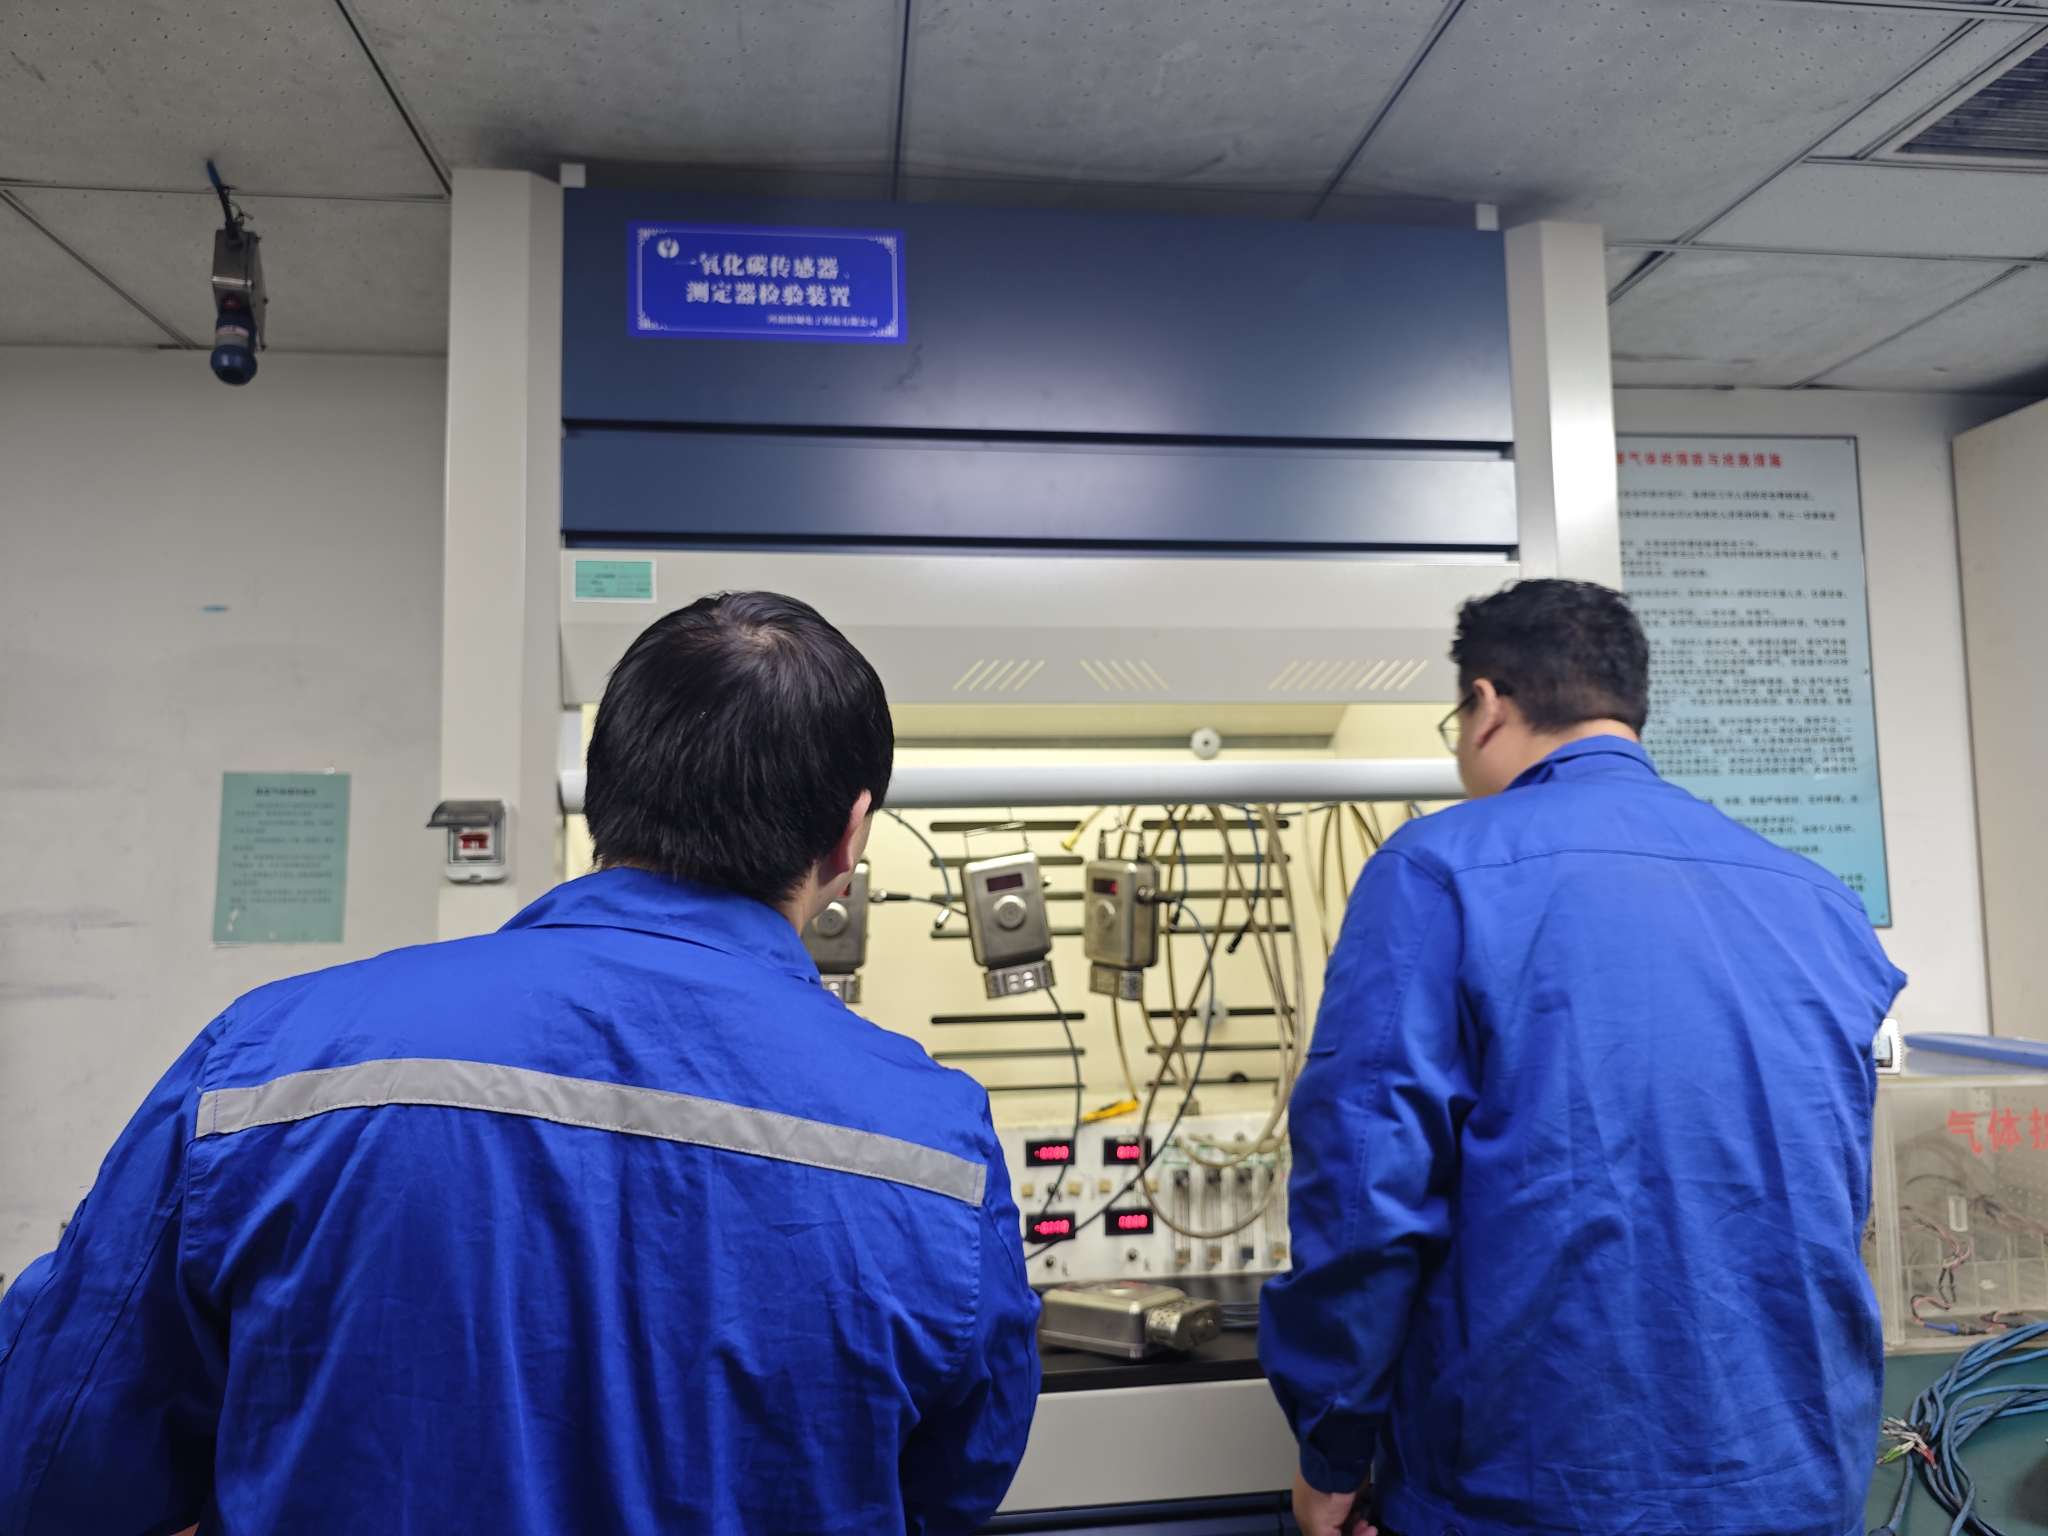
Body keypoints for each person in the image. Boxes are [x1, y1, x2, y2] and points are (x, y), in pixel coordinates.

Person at [0, 591, 1041, 1535]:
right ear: (850, 837)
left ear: (602, 793)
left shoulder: (272, 1061)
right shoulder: (932, 1147)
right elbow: (954, 1486)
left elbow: (48, 1457)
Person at [1261, 579, 1903, 1536]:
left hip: (1539, 1488)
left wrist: (1331, 1447)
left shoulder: (1438, 870)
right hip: (1800, 1478)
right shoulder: (1817, 898)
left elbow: (1364, 1200)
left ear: (1486, 704)